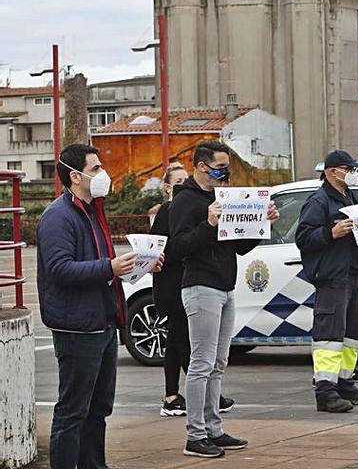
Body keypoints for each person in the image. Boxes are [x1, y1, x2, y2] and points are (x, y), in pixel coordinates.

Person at [37, 144, 162, 469]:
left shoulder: (93, 212)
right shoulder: (58, 217)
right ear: (75, 176)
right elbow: (60, 269)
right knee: (73, 411)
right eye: (95, 169)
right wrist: (110, 267)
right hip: (78, 328)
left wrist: (140, 265)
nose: (102, 174)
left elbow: (103, 263)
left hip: (103, 323)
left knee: (98, 409)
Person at [170, 142, 279, 458]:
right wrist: (209, 225)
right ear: (202, 166)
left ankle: (213, 429)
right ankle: (195, 435)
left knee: (218, 362)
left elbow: (240, 245)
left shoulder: (221, 197)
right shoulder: (186, 201)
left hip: (225, 286)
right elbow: (178, 248)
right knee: (201, 362)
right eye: (220, 167)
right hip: (200, 286)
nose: (225, 173)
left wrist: (262, 223)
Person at [295, 150, 358, 413]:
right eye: (348, 168)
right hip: (332, 277)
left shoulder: (348, 196)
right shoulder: (319, 201)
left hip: (353, 273)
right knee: (329, 337)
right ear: (333, 172)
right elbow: (304, 238)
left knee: (352, 334)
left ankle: (345, 383)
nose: (353, 173)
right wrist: (330, 233)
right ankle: (325, 390)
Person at [150, 162, 235, 417]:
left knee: (179, 342)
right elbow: (162, 245)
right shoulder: (169, 210)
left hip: (185, 280)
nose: (184, 186)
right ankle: (181, 397)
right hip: (173, 283)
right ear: (167, 188)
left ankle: (177, 395)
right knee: (185, 343)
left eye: (185, 181)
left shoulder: (191, 207)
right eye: (178, 183)